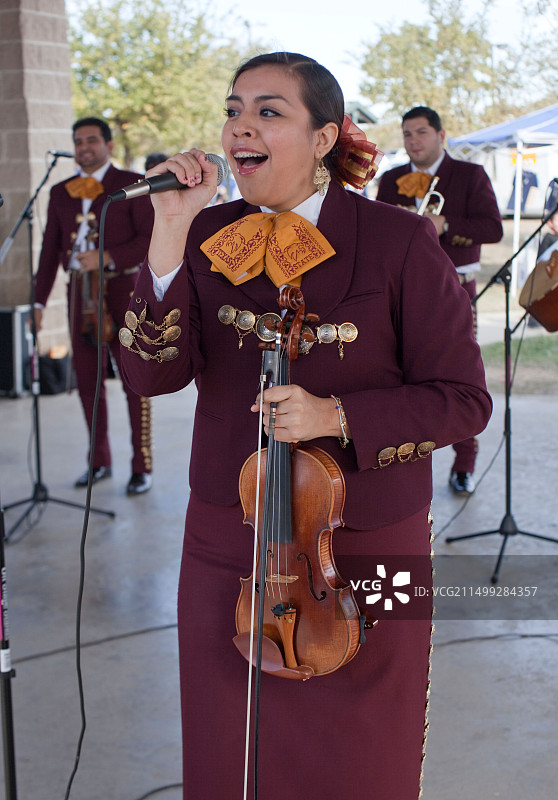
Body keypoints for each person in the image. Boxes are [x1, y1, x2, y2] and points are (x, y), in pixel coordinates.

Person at [119, 53, 492, 800]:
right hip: (231, 532)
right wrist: (168, 229)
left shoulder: (399, 240)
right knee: (230, 736)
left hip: (373, 530)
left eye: (268, 111)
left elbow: (463, 399)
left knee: (367, 741)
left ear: (323, 137)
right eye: (233, 110)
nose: (240, 126)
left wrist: (338, 417)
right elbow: (150, 375)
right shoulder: (203, 232)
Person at [376, 106, 502, 496]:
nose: (414, 141)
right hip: (398, 290)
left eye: (421, 133)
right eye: (407, 134)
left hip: (457, 289)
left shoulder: (469, 175)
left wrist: (446, 225)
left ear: (441, 135)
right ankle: (402, 462)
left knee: (458, 377)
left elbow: (493, 228)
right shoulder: (393, 178)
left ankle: (464, 463)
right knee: (397, 374)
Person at [34, 117, 155, 494]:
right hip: (79, 297)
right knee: (88, 382)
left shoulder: (131, 184)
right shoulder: (59, 192)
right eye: (78, 141)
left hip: (124, 292)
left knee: (136, 382)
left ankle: (142, 465)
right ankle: (99, 460)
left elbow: (149, 240)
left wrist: (106, 257)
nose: (84, 147)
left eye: (91, 140)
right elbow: (50, 250)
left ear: (108, 145)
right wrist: (38, 301)